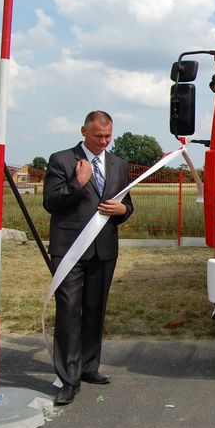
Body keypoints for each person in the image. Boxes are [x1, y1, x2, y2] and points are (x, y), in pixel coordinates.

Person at [43, 110, 133, 406]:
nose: (103, 142)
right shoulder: (61, 160)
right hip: (70, 248)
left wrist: (123, 212)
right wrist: (78, 183)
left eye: (108, 136)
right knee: (69, 310)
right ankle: (68, 379)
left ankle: (88, 367)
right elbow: (51, 203)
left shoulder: (119, 164)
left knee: (95, 309)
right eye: (98, 136)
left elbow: (126, 204)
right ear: (84, 131)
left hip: (104, 248)